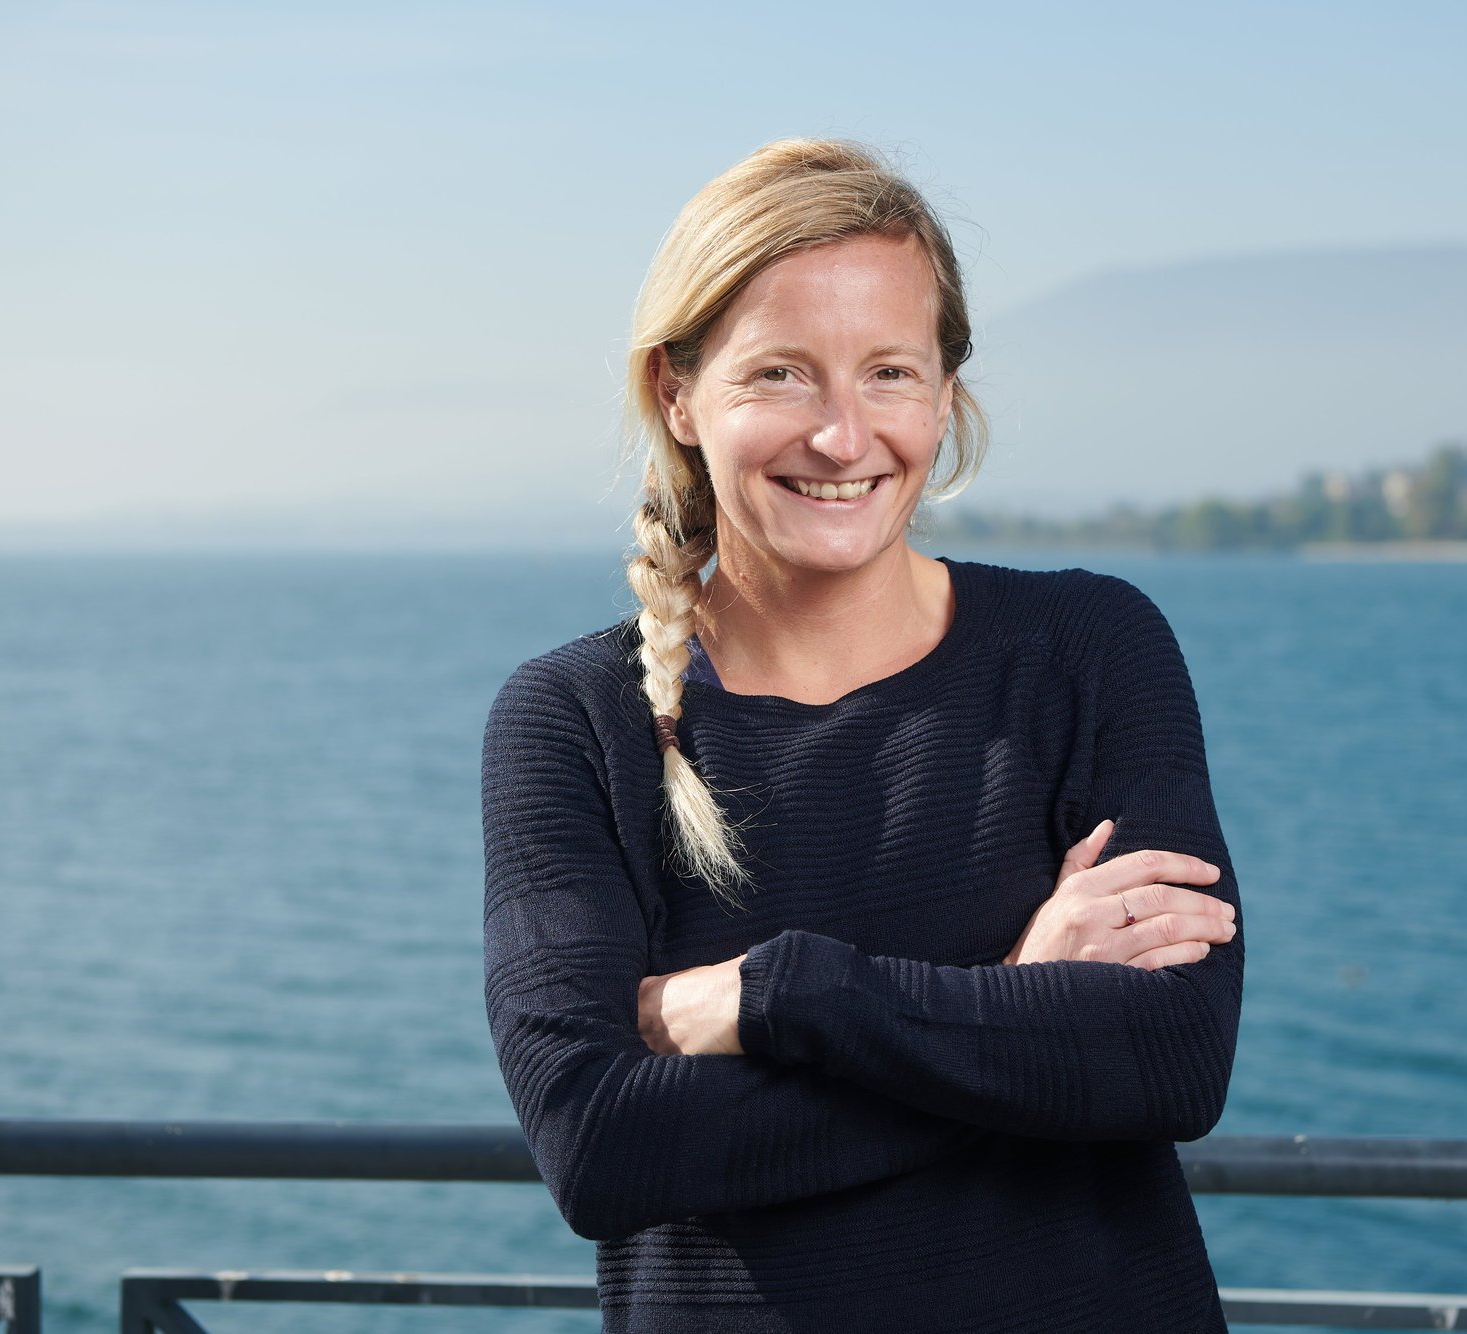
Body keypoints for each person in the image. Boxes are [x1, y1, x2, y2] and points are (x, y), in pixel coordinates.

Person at [480, 138, 1244, 1332]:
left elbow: (1170, 1059)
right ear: (675, 394)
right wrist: (1021, 1000)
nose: (843, 437)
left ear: (943, 393)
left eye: (888, 371)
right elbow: (601, 1145)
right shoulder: (576, 720)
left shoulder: (1088, 646)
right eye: (781, 374)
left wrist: (777, 996)